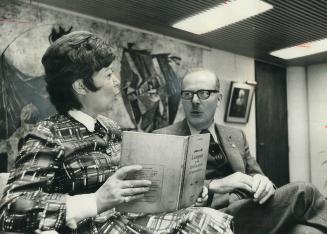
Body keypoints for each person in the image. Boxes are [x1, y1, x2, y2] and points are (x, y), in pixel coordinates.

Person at [0, 32, 232, 234]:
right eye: (108, 74)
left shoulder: (110, 128)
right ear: (81, 86)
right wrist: (95, 201)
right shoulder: (46, 135)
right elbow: (11, 209)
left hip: (129, 220)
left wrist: (185, 192)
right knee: (206, 222)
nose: (117, 81)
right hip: (91, 227)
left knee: (209, 218)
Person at [154, 68, 327, 234]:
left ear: (219, 99)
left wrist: (263, 182)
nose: (195, 101)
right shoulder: (163, 138)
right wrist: (215, 185)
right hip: (209, 218)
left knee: (305, 231)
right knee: (304, 191)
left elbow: (257, 175)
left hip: (250, 209)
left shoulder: (236, 135)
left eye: (204, 93)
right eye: (188, 94)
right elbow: (159, 192)